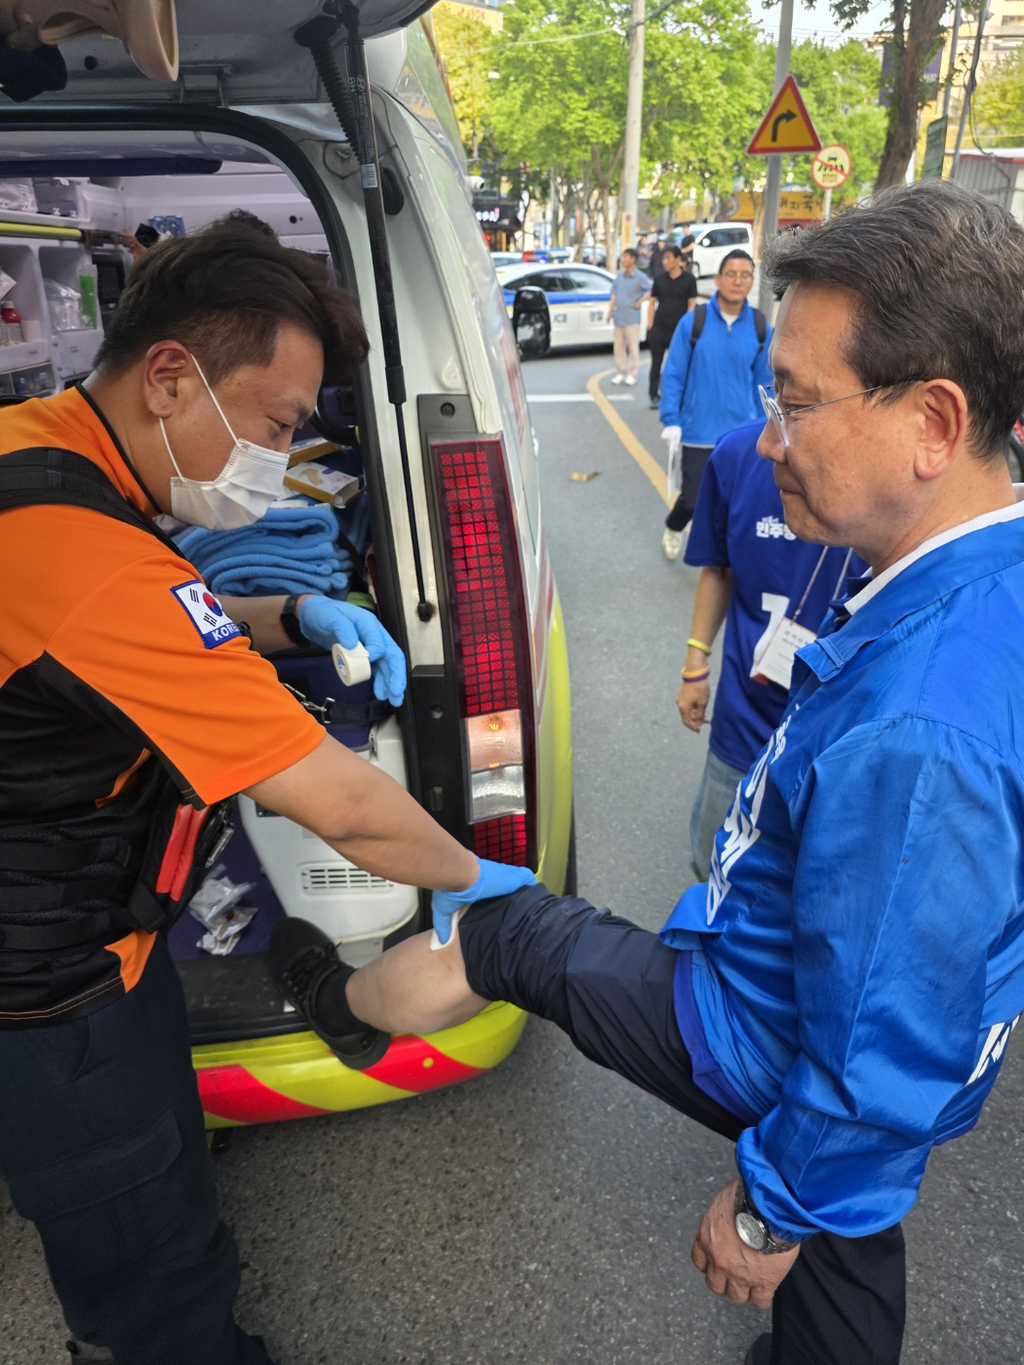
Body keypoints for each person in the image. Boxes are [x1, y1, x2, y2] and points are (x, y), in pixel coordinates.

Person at [274, 181, 1024, 1365]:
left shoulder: (916, 731)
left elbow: (879, 1047)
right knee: (849, 1238)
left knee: (516, 933)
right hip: (849, 1013)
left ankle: (337, 1004)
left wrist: (771, 1207)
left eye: (793, 402)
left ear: (934, 422)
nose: (765, 439)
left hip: (755, 1025)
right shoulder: (982, 582)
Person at [0, 219, 534, 1365]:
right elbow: (339, 802)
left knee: (160, 1188)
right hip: (50, 992)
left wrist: (290, 615)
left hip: (95, 942)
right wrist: (470, 871)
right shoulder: (80, 554)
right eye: (278, 424)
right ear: (169, 376)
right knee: (150, 1274)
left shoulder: (38, 453)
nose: (283, 460)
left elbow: (130, 625)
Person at [676, 419, 866, 878]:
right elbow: (717, 568)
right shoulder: (736, 454)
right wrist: (695, 663)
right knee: (711, 863)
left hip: (840, 730)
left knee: (810, 882)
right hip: (745, 716)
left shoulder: (880, 470)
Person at [659, 249, 771, 560]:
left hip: (742, 434)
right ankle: (674, 526)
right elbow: (674, 374)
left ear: (752, 282)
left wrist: (768, 426)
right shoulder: (693, 323)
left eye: (745, 275)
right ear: (719, 279)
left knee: (737, 500)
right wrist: (671, 420)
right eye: (731, 274)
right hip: (698, 432)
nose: (738, 281)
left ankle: (725, 559)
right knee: (693, 499)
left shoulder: (760, 327)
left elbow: (766, 384)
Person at [646, 244, 698, 409]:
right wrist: (650, 325)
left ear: (678, 259)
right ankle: (654, 395)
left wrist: (688, 327)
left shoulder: (689, 280)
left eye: (668, 258)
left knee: (678, 365)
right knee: (656, 364)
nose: (665, 261)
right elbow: (652, 303)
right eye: (663, 258)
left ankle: (677, 395)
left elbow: (692, 304)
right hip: (659, 329)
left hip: (679, 331)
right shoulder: (659, 279)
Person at [606, 247, 651, 386]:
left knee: (633, 348)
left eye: (626, 257)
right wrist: (610, 311)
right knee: (618, 348)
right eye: (623, 257)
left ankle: (632, 374)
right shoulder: (619, 276)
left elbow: (652, 290)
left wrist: (640, 301)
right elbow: (615, 295)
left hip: (632, 319)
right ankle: (621, 372)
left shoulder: (640, 277)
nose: (623, 260)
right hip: (619, 317)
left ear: (633, 259)